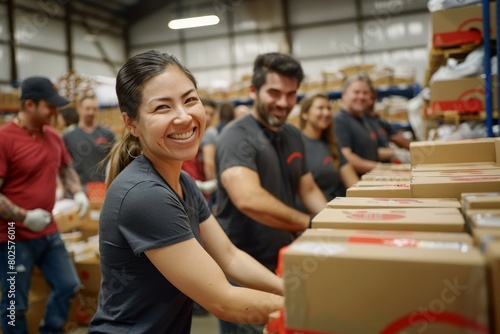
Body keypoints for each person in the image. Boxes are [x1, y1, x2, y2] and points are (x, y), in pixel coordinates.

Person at [88, 50, 284, 334]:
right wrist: (303, 309)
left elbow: (229, 256)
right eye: (162, 108)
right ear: (131, 123)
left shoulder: (183, 181)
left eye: (190, 100)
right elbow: (223, 300)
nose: (184, 117)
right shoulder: (145, 195)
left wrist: (291, 291)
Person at [215, 52, 327, 333]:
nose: (283, 102)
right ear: (253, 90)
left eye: (291, 94)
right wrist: (308, 223)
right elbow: (248, 199)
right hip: (245, 268)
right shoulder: (236, 136)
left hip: (283, 261)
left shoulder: (292, 135)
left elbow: (308, 187)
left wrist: (332, 221)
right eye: (274, 93)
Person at [0, 76, 90, 334]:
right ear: (29, 104)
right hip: (13, 235)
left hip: (49, 231)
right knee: (15, 303)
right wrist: (24, 217)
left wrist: (78, 192)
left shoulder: (53, 136)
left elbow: (66, 167)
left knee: (68, 286)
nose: (55, 112)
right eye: (49, 106)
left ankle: (50, 329)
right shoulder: (5, 139)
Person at [298, 93, 358, 203]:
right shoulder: (297, 144)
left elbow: (352, 181)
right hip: (317, 212)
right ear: (305, 114)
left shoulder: (332, 144)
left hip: (339, 208)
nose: (326, 113)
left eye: (329, 108)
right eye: (320, 108)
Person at [62, 96, 115, 192]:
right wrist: (72, 187)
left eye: (94, 109)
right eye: (87, 109)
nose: (91, 112)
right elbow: (64, 166)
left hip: (103, 188)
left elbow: (115, 161)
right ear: (79, 109)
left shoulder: (108, 134)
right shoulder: (68, 137)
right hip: (80, 189)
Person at [333, 75, 380, 176]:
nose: (361, 97)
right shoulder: (339, 121)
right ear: (344, 95)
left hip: (370, 182)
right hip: (354, 187)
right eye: (356, 92)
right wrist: (381, 168)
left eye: (365, 93)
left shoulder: (364, 120)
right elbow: (346, 157)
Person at [364, 88, 411, 163]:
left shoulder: (377, 120)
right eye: (367, 99)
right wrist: (394, 153)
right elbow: (363, 152)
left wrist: (417, 148)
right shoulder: (356, 122)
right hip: (371, 167)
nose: (370, 102)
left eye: (373, 98)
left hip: (383, 167)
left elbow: (396, 137)